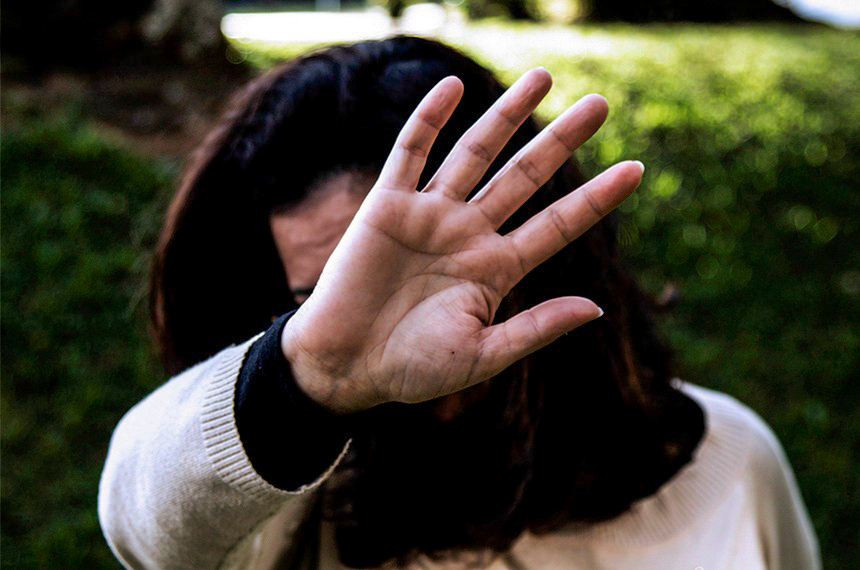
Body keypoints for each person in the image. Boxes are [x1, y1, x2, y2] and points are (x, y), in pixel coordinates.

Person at [98, 36, 819, 569]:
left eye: (437, 284)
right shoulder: (288, 509)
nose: (398, 337)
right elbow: (143, 523)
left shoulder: (731, 464)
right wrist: (309, 374)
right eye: (317, 302)